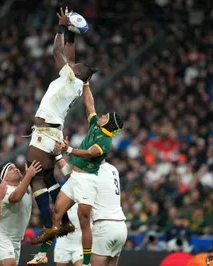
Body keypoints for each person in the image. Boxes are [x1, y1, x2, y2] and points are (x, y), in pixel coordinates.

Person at [30, 82, 124, 266]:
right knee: (57, 212)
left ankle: (87, 262)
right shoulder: (97, 125)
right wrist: (86, 84)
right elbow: (90, 105)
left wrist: (69, 150)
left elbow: (90, 153)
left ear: (109, 123)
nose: (102, 115)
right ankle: (42, 253)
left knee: (83, 220)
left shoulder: (106, 142)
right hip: (75, 179)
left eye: (106, 116)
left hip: (87, 180)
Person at [26, 5, 98, 244]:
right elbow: (70, 58)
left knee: (35, 174)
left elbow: (58, 54)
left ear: (77, 73)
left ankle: (49, 225)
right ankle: (65, 221)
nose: (72, 64)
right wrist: (72, 33)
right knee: (48, 178)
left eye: (75, 66)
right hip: (53, 130)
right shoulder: (76, 82)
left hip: (46, 131)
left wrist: (60, 27)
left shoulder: (70, 77)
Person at [0, 161, 42, 266]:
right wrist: (28, 176)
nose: (16, 169)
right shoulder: (3, 189)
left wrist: (28, 177)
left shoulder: (25, 186)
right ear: (5, 178)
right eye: (10, 169)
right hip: (1, 235)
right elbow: (15, 198)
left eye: (15, 167)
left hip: (16, 239)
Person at [90, 162, 127, 266]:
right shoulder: (113, 168)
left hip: (104, 225)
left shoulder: (93, 170)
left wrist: (59, 157)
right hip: (120, 225)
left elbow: (71, 177)